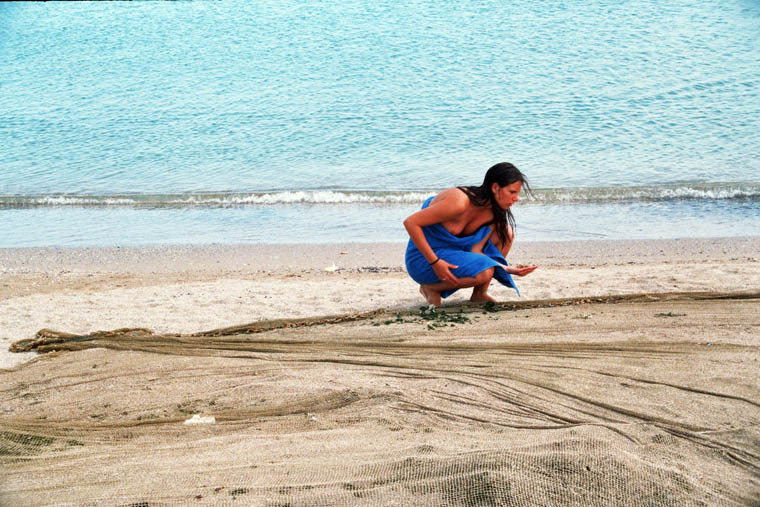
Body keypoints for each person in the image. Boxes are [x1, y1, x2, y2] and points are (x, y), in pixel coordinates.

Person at [404, 162, 538, 307]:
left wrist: (506, 269)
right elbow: (410, 223)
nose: (516, 198)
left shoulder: (493, 213)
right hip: (424, 259)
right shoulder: (458, 201)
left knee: (505, 233)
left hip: (451, 255)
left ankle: (479, 293)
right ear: (495, 188)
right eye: (512, 192)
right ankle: (431, 288)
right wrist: (435, 262)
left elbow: (476, 251)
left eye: (517, 193)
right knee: (485, 271)